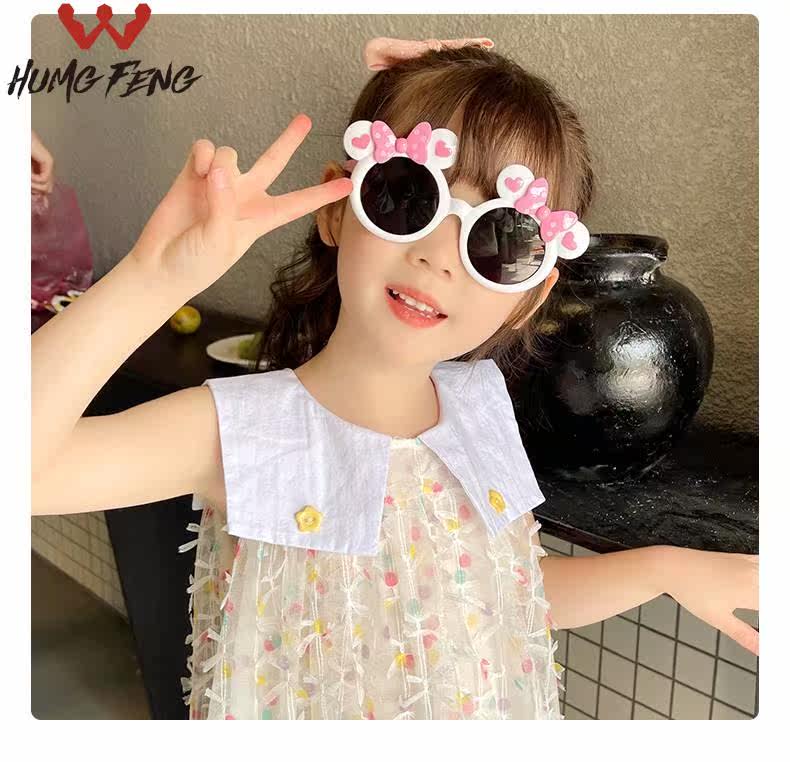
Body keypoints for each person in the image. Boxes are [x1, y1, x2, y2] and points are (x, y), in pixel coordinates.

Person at [31, 37, 758, 721]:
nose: (439, 255)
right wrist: (155, 276)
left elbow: (507, 592)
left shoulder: (480, 405)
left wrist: (661, 568)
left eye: (500, 237)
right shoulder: (241, 429)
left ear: (530, 294)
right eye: (409, 196)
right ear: (337, 209)